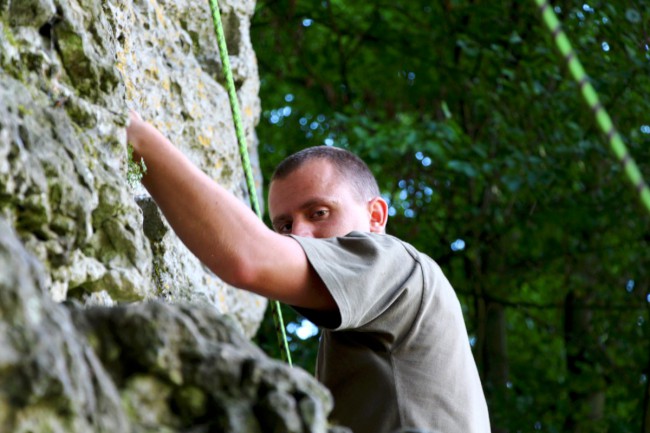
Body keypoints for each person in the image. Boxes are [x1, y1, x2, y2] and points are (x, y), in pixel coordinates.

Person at [126, 112, 491, 433]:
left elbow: (247, 256)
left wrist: (134, 135)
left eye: (319, 213)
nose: (298, 234)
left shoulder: (397, 266)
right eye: (283, 226)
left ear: (376, 216)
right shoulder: (364, 324)